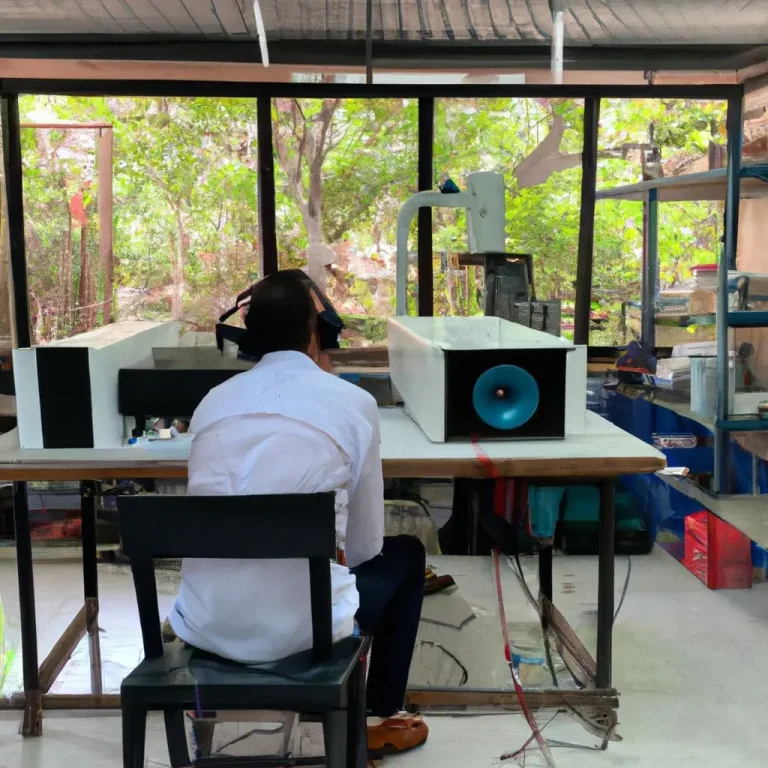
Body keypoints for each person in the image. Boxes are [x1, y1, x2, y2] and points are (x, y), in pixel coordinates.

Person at [169, 270, 428, 758]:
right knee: (406, 555)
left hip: (208, 624)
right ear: (315, 331)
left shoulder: (212, 404)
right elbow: (364, 546)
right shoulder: (353, 402)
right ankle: (376, 716)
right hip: (306, 633)